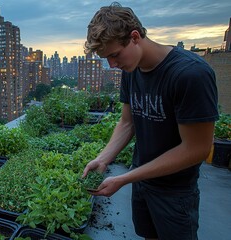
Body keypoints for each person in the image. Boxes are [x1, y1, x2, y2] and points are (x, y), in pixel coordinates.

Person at [82, 2, 218, 240]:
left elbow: (197, 148)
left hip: (175, 192)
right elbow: (128, 123)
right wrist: (103, 159)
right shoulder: (131, 71)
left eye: (114, 55)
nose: (112, 65)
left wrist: (124, 178)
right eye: (107, 59)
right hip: (143, 181)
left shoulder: (190, 74)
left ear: (135, 37)